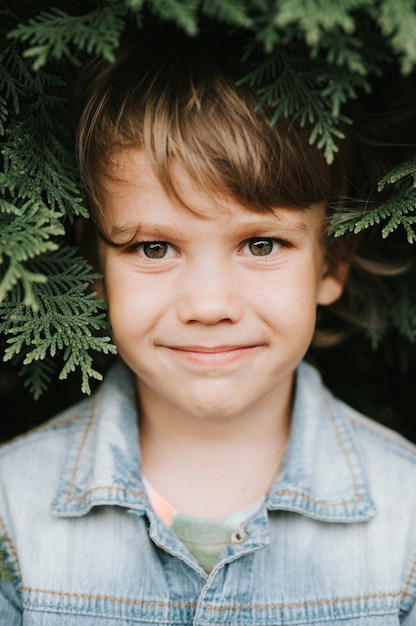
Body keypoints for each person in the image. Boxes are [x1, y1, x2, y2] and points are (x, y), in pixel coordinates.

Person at [1, 19, 416, 625]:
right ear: (96, 265)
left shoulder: (406, 521)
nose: (208, 304)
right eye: (153, 248)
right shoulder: (12, 511)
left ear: (333, 262)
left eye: (262, 244)